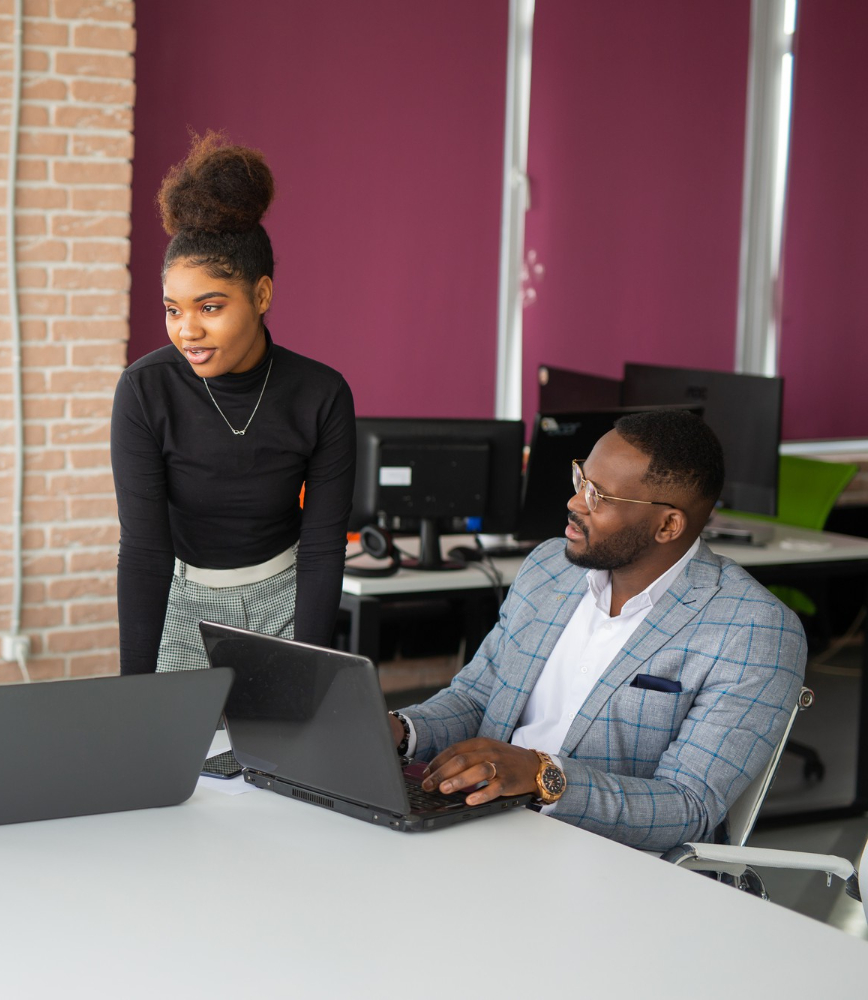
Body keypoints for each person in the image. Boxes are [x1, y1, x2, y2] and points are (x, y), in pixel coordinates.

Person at [390, 411, 807, 851]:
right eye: (580, 480)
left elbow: (688, 806)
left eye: (599, 496)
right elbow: (477, 699)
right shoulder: (548, 567)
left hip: (608, 859)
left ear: (668, 526)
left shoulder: (754, 630)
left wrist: (540, 776)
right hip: (486, 823)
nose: (574, 503)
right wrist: (401, 731)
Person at [111, 131, 356, 674]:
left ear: (262, 295)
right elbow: (145, 552)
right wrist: (133, 688)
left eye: (211, 306)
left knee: (283, 754)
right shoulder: (144, 390)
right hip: (181, 604)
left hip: (288, 599)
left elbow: (321, 548)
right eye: (173, 309)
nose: (187, 330)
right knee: (174, 757)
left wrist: (309, 669)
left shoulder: (322, 394)